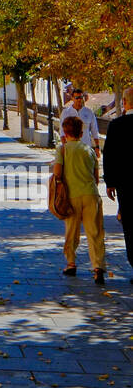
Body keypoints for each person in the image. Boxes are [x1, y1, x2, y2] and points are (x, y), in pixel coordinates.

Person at [52, 115, 106, 285]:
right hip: (91, 195)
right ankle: (98, 268)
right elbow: (96, 177)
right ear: (81, 132)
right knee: (95, 232)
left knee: (71, 231)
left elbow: (57, 173)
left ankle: (71, 263)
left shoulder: (62, 149)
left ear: (65, 132)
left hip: (72, 196)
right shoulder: (89, 150)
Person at [101, 83, 133, 284]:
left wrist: (110, 182)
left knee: (130, 227)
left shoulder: (117, 126)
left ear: (124, 103)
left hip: (126, 186)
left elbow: (109, 156)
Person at [60, 87, 101, 158]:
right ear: (72, 98)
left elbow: (94, 130)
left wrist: (97, 147)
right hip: (71, 149)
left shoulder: (89, 112)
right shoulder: (66, 112)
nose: (79, 99)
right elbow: (62, 132)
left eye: (81, 97)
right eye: (77, 97)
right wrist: (65, 147)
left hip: (86, 148)